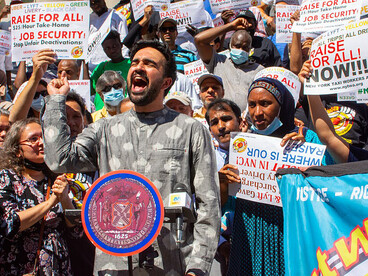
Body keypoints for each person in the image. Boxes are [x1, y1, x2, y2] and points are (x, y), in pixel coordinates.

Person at [41, 40, 220, 275]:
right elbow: (59, 160)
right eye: (135, 62)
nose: (138, 67)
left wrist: (198, 266)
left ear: (166, 81)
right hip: (114, 264)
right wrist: (55, 101)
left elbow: (209, 203)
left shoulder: (191, 130)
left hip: (171, 263)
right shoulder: (103, 129)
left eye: (149, 63)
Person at [223, 77, 334, 275]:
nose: (257, 112)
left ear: (282, 105)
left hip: (292, 233)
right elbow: (230, 202)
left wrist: (307, 153)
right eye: (252, 105)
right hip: (251, 234)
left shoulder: (306, 140)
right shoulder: (243, 145)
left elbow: (328, 185)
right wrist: (223, 182)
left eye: (265, 104)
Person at [0, 118, 80, 275]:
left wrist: (64, 200)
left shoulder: (56, 179)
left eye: (43, 137)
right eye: (33, 139)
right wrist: (50, 203)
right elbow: (10, 224)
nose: (41, 143)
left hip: (58, 268)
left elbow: (77, 231)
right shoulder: (7, 178)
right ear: (17, 150)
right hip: (21, 268)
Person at [195, 17, 264, 111]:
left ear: (250, 50)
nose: (240, 50)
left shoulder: (259, 70)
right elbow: (199, 40)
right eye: (237, 46)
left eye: (245, 48)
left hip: (247, 122)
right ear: (230, 46)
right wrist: (230, 26)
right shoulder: (218, 62)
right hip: (221, 118)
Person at [90, 30, 131, 110]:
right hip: (102, 113)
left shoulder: (131, 64)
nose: (112, 50)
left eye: (114, 46)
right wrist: (84, 62)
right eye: (107, 48)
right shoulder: (101, 67)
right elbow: (90, 90)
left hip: (123, 111)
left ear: (121, 45)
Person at [88, 0, 129, 73]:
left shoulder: (117, 17)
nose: (95, 6)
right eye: (91, 4)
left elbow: (124, 42)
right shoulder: (89, 19)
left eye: (97, 2)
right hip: (92, 69)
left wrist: (123, 64)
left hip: (111, 65)